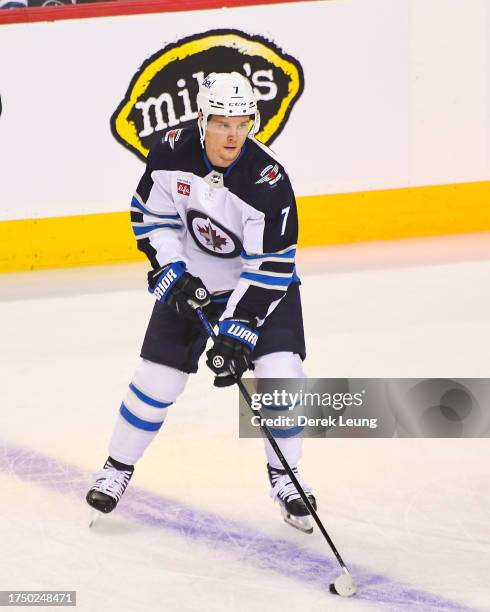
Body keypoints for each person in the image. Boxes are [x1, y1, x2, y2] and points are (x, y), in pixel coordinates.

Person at [86, 72, 316, 533]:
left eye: (242, 123)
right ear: (202, 119)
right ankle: (116, 468)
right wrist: (171, 270)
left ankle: (285, 477)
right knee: (156, 380)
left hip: (258, 290)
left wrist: (237, 329)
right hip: (192, 279)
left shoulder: (268, 179)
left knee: (282, 376)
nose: (232, 135)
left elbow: (270, 263)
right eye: (222, 123)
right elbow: (150, 215)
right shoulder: (172, 151)